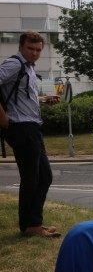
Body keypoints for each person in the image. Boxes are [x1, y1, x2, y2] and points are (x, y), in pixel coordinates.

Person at [0, 31, 57, 238]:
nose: (34, 53)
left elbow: (21, 96)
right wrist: (3, 118)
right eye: (30, 49)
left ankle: (34, 222)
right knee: (31, 178)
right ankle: (29, 225)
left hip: (31, 127)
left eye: (38, 50)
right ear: (21, 47)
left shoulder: (29, 68)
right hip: (21, 127)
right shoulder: (15, 64)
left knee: (44, 177)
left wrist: (43, 99)